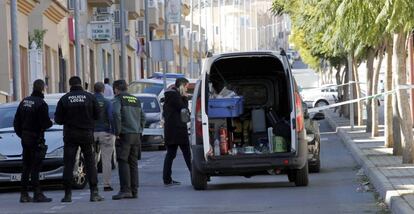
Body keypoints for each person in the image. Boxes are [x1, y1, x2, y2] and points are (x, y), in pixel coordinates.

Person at [54, 76, 104, 203]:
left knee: (69, 163)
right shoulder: (90, 97)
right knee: (90, 163)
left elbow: (58, 119)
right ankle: (94, 193)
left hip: (70, 134)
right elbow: (98, 115)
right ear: (81, 84)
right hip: (87, 133)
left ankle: (67, 194)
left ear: (70, 84)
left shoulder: (65, 99)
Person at [13, 79, 53, 203]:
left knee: (26, 166)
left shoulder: (24, 101)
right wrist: (51, 123)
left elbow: (16, 122)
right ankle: (37, 193)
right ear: (42, 89)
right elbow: (45, 123)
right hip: (36, 138)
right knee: (35, 167)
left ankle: (24, 194)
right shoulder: (41, 103)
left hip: (25, 137)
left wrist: (22, 134)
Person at [112, 80, 146, 200]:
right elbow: (143, 116)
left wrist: (117, 131)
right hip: (136, 134)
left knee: (123, 161)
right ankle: (134, 190)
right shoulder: (135, 100)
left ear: (116, 89)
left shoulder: (118, 99)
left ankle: (125, 190)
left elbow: (116, 114)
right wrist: (139, 129)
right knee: (133, 162)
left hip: (124, 134)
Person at [162, 78, 192, 186]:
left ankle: (167, 179)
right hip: (178, 130)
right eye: (186, 87)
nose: (186, 89)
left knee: (170, 154)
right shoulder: (175, 96)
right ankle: (194, 175)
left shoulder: (170, 96)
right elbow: (184, 109)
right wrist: (185, 98)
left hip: (170, 130)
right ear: (181, 86)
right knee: (187, 154)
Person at [93, 82, 116, 191]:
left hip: (91, 133)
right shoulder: (107, 102)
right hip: (105, 132)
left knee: (91, 160)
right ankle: (106, 184)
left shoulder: (89, 101)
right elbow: (111, 117)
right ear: (103, 90)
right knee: (106, 159)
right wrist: (114, 131)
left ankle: (93, 184)